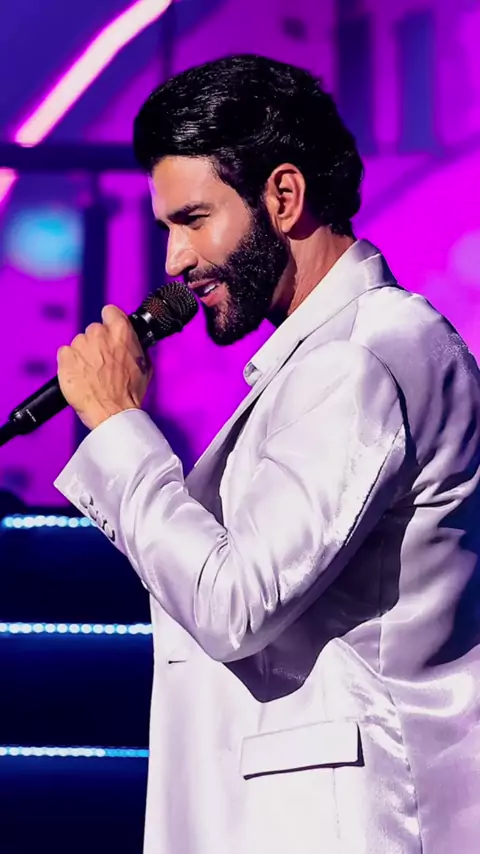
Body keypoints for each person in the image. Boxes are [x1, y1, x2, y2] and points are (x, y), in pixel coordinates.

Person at [54, 55, 480, 854]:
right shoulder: (330, 356)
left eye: (193, 219)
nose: (174, 260)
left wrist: (115, 422)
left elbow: (234, 604)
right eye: (167, 228)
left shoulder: (363, 356)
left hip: (351, 823)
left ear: (284, 197)